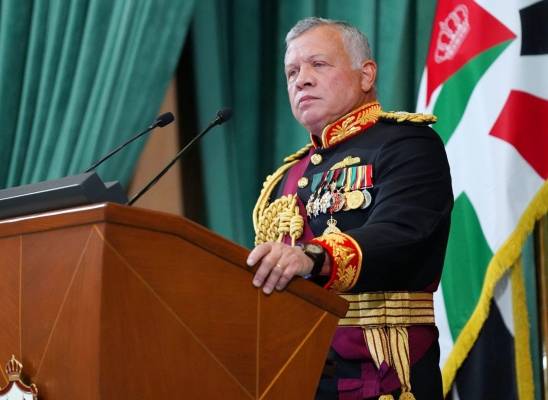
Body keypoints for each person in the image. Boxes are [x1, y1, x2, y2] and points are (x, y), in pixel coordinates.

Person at [247, 17, 453, 400]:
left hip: (382, 372)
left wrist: (314, 256)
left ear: (366, 75)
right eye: (292, 72)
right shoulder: (286, 177)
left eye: (318, 64)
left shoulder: (406, 144)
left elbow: (401, 234)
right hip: (297, 375)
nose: (301, 80)